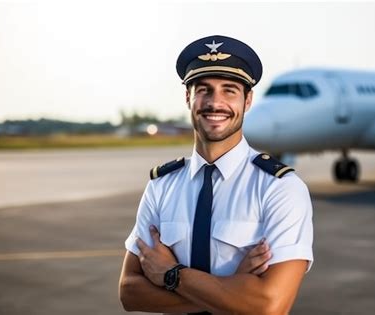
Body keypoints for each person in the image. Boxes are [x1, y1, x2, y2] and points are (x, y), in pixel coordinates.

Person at [119, 35, 313, 315]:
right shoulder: (161, 186)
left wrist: (171, 274)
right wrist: (231, 286)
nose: (215, 102)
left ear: (247, 101)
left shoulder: (280, 188)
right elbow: (130, 292)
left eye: (230, 90)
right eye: (204, 90)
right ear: (188, 98)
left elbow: (269, 306)